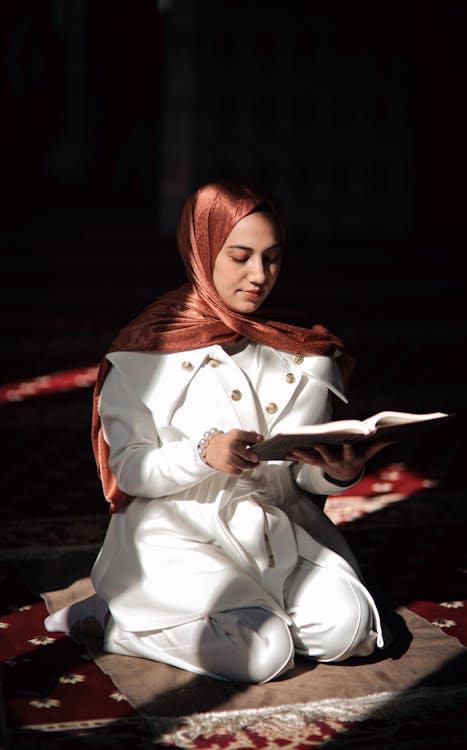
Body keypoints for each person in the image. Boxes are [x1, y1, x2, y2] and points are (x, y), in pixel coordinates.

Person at [45, 179, 391, 684]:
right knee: (263, 655)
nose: (259, 276)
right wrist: (203, 455)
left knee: (349, 633)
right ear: (202, 250)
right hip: (182, 535)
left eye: (272, 258)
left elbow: (299, 478)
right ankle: (115, 619)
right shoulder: (146, 350)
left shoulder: (303, 353)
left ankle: (244, 615)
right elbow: (130, 470)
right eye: (240, 256)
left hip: (280, 532)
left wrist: (338, 475)